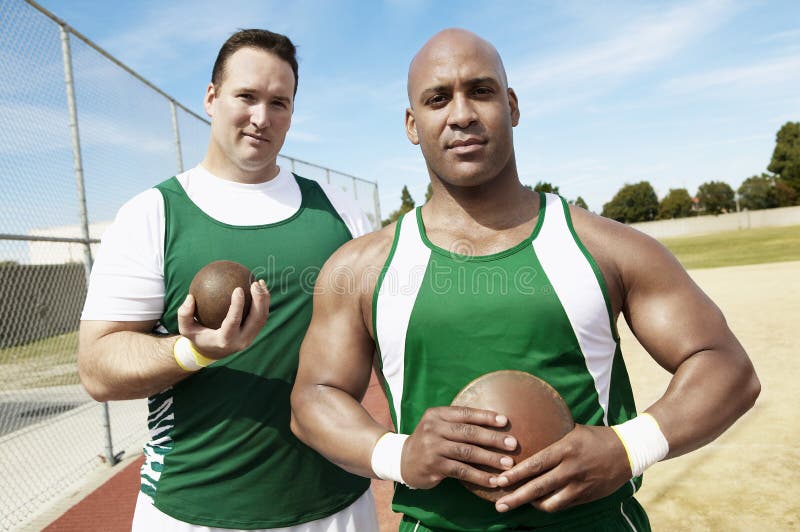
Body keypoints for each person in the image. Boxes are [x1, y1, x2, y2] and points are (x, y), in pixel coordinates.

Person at [289, 28, 760, 531]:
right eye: (438, 98)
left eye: (481, 90)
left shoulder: (607, 246)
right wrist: (398, 455)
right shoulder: (360, 268)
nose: (462, 113)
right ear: (412, 123)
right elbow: (313, 398)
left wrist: (628, 447)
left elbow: (727, 368)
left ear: (512, 106)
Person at [78, 29, 378, 531]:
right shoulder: (153, 213)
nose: (263, 117)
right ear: (212, 97)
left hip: (336, 507)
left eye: (279, 103)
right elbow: (96, 366)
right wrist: (194, 351)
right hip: (194, 511)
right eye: (247, 96)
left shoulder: (340, 210)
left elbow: (385, 337)